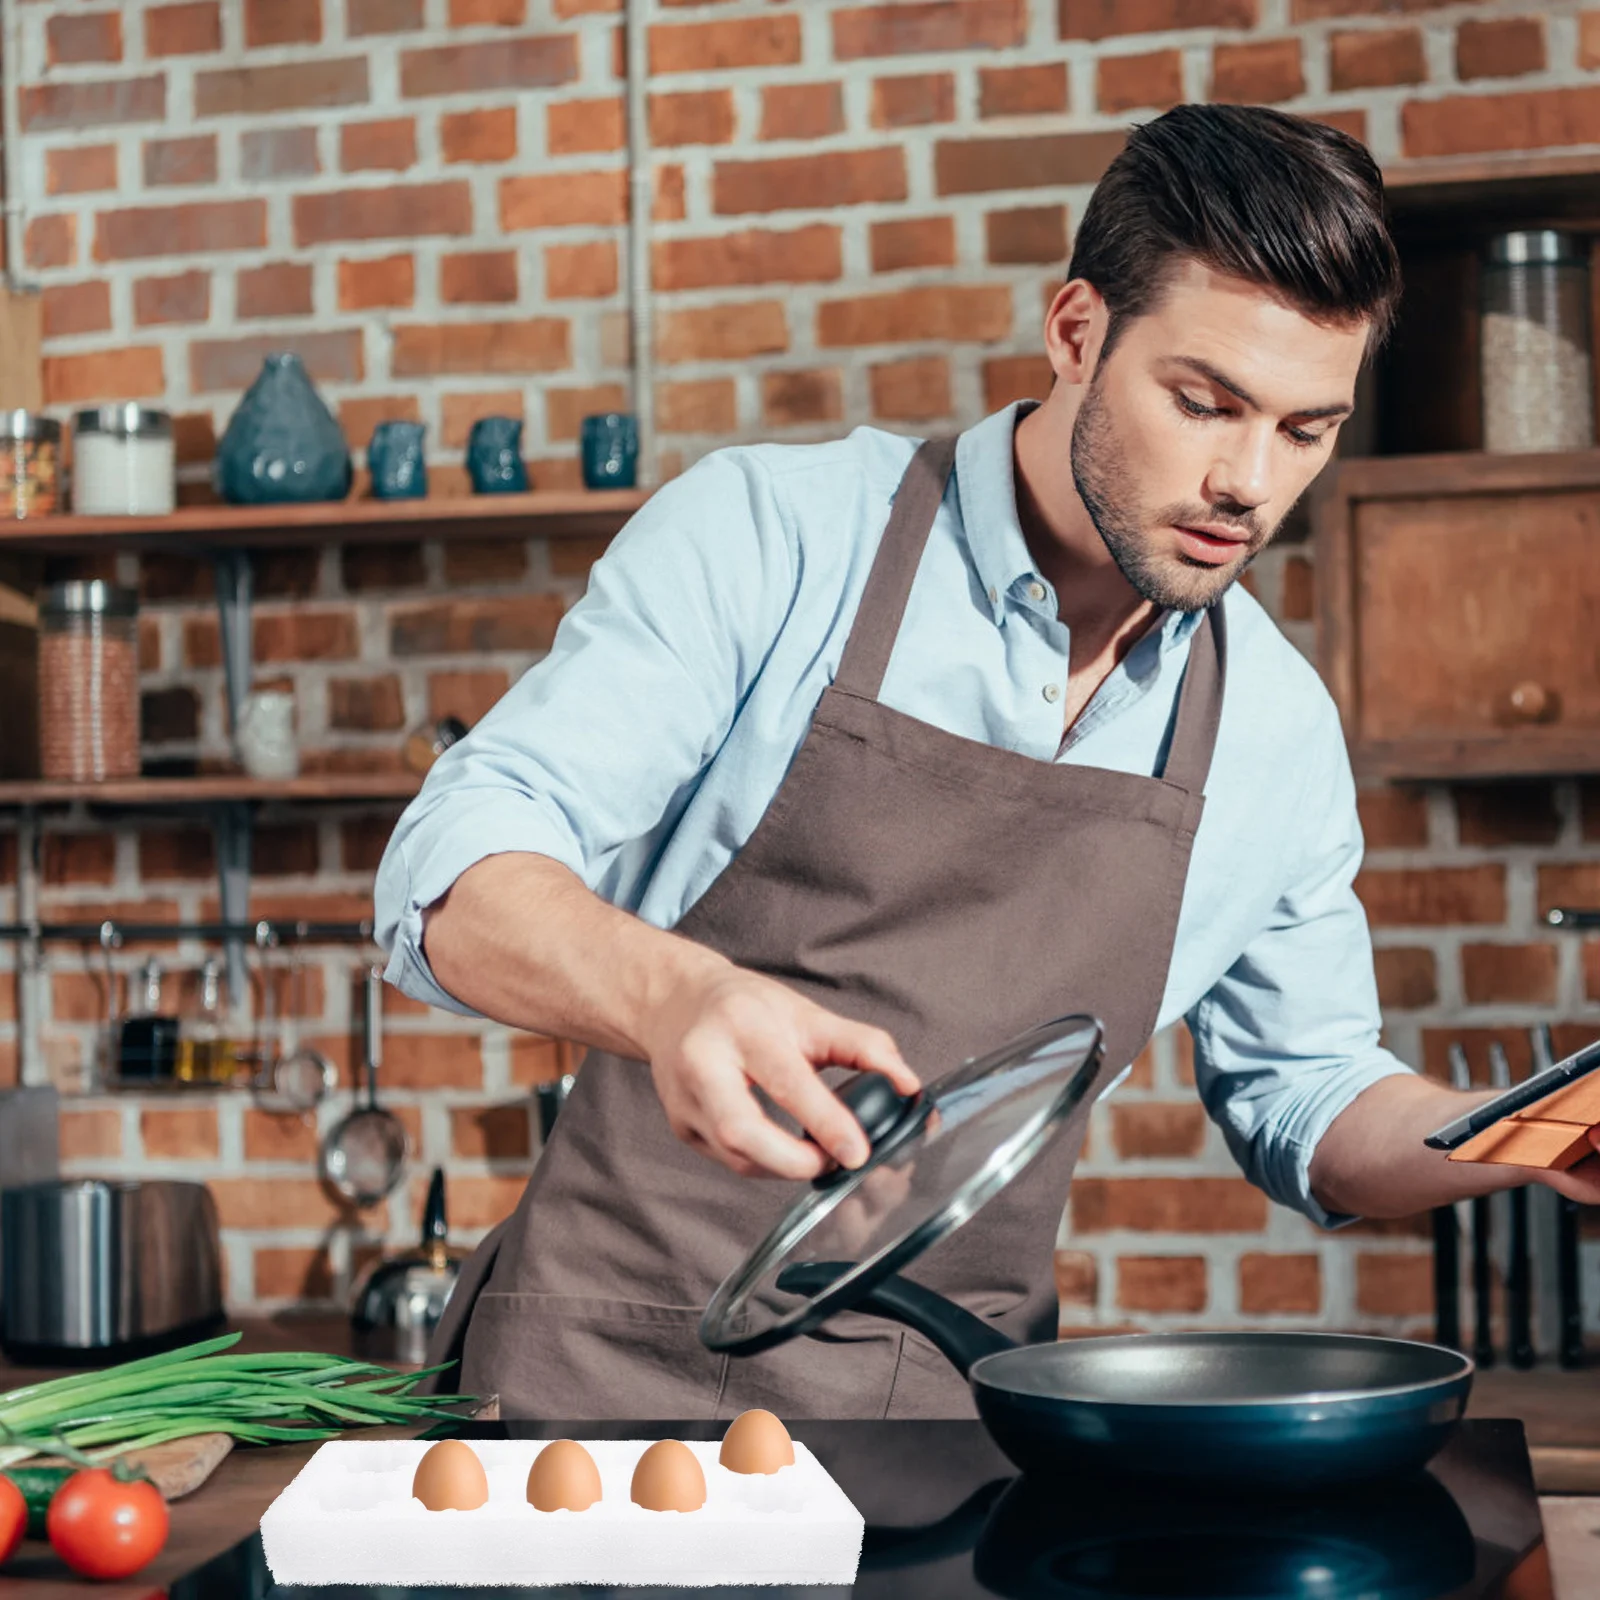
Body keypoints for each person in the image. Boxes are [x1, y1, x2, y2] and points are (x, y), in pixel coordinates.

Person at [376, 102, 1600, 1419]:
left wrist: (1535, 1132)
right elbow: (451, 870)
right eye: (1204, 404)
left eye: (1305, 429)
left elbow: (1311, 1099)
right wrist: (677, 997)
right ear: (1076, 334)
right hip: (597, 1379)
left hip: (950, 1415)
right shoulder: (781, 539)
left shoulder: (1274, 728)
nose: (1249, 483)